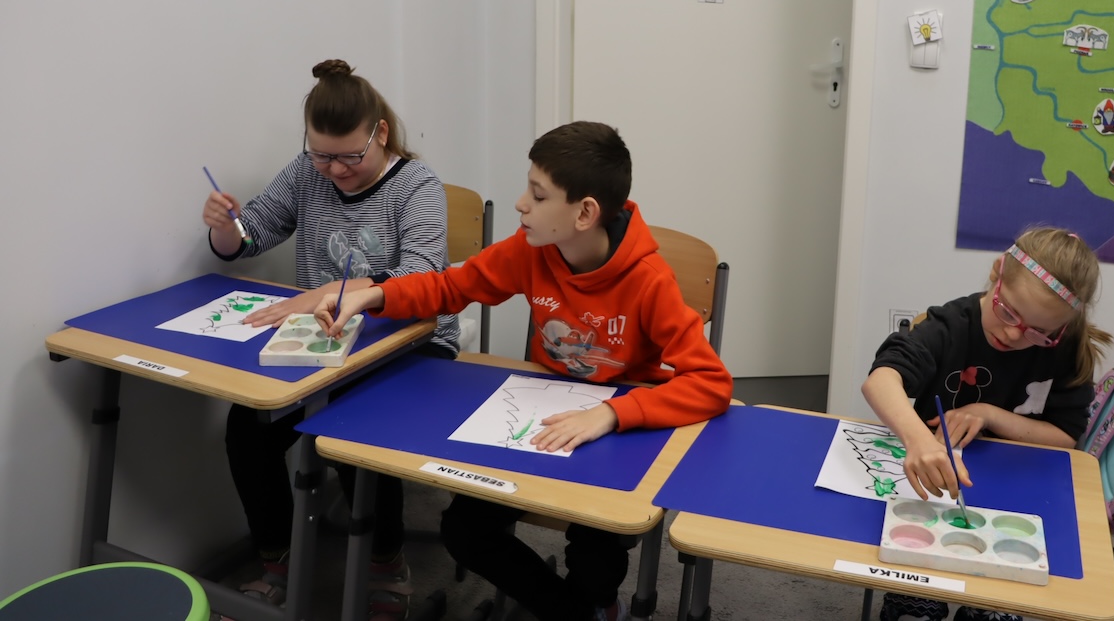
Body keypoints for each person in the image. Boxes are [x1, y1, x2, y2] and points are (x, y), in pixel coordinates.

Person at [315, 120, 733, 621]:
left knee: (595, 559)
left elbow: (711, 383)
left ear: (584, 213)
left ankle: (594, 604)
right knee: (463, 531)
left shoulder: (649, 281)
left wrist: (611, 414)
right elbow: (452, 287)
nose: (520, 204)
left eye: (537, 195)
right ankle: (575, 613)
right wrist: (376, 295)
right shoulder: (530, 250)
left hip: (613, 436)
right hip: (535, 421)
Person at [202, 59, 458, 621]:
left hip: (411, 340)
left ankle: (388, 568)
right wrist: (225, 227)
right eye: (321, 155)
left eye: (348, 156)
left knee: (355, 433)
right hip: (324, 342)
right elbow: (252, 234)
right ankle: (277, 561)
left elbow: (421, 277)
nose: (334, 170)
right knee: (248, 427)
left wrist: (325, 293)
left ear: (380, 133)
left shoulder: (417, 185)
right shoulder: (307, 173)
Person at [861, 227, 1111, 621]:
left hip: (1017, 492)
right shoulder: (948, 326)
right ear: (997, 273)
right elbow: (880, 380)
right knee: (917, 602)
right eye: (1009, 312)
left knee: (1000, 600)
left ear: (1062, 327)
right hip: (935, 488)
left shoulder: (1066, 349)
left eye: (1037, 333)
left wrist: (989, 413)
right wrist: (918, 441)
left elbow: (1065, 436)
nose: (1013, 333)